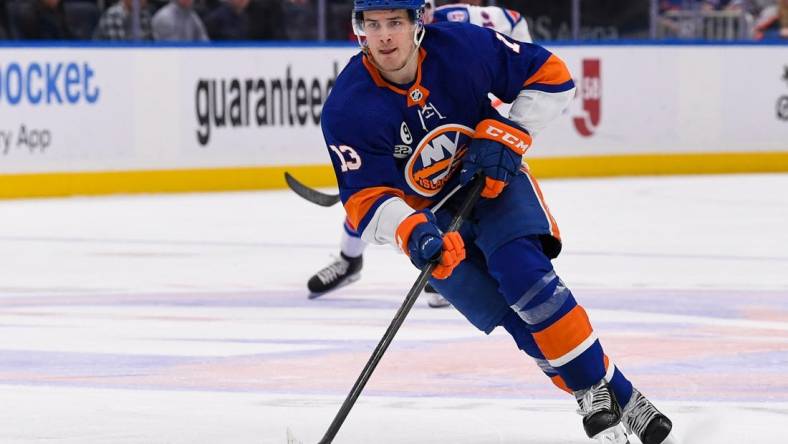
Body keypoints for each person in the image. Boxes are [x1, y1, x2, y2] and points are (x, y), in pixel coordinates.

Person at [319, 1, 679, 443]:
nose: (385, 37)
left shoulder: (464, 48)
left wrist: (508, 131)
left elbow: (551, 75)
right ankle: (621, 394)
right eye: (373, 25)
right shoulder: (347, 107)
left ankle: (590, 390)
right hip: (433, 221)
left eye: (395, 23)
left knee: (526, 277)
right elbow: (365, 199)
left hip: (492, 183)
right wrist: (412, 232)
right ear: (360, 30)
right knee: (515, 321)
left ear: (418, 23)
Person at [306, 0, 532, 308]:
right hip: (417, 122)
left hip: (465, 126)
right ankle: (350, 260)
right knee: (382, 196)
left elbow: (516, 26)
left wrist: (502, 110)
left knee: (463, 190)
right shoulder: (391, 33)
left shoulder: (459, 21)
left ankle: (455, 272)